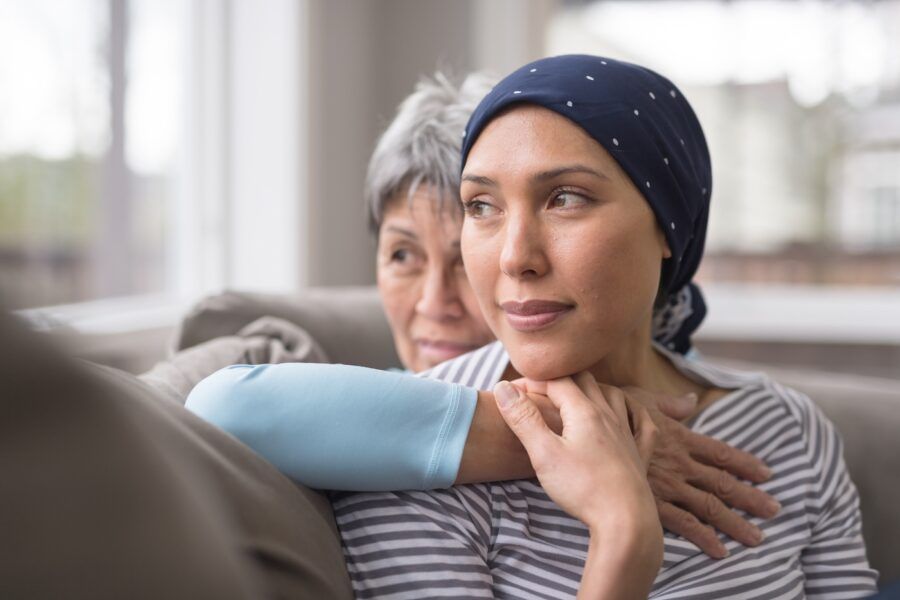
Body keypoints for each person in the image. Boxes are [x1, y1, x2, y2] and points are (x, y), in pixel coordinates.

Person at [323, 55, 878, 598]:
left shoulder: (789, 429)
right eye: (482, 205)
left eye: (565, 198)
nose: (515, 257)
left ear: (667, 226)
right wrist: (623, 538)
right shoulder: (408, 454)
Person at [188, 71, 779, 559]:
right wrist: (572, 434)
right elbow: (223, 409)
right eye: (402, 255)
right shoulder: (380, 423)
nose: (433, 302)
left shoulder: (737, 414)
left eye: (563, 201)